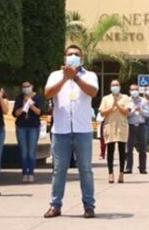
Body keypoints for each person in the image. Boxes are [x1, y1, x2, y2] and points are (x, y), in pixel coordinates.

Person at [44, 45, 100, 218]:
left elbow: (93, 92)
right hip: (60, 130)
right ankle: (55, 205)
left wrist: (75, 77)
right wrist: (64, 78)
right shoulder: (55, 75)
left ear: (81, 59)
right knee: (59, 170)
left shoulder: (90, 75)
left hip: (82, 129)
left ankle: (89, 206)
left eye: (76, 55)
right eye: (70, 54)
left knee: (85, 169)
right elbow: (47, 93)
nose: (73, 56)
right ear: (64, 58)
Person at [99, 80, 131, 183]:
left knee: (122, 151)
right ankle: (110, 174)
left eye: (117, 85)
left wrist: (117, 104)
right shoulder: (106, 98)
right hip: (110, 126)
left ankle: (121, 173)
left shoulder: (125, 98)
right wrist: (112, 106)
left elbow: (126, 112)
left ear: (120, 86)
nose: (115, 87)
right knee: (110, 151)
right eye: (113, 85)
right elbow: (102, 113)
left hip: (121, 126)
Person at [13, 80, 44, 183]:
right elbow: (15, 113)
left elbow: (39, 112)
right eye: (23, 86)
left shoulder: (38, 97)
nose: (25, 88)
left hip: (33, 127)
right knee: (23, 151)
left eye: (27, 86)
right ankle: (24, 172)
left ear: (32, 86)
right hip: (21, 126)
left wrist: (30, 104)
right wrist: (24, 106)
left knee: (31, 151)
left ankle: (30, 173)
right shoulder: (19, 98)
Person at [125, 83, 149, 174]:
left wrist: (141, 110)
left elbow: (147, 114)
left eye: (136, 89)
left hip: (141, 125)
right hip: (130, 125)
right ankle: (128, 168)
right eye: (132, 90)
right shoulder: (127, 100)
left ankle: (142, 168)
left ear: (138, 91)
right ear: (129, 91)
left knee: (142, 148)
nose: (134, 91)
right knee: (128, 148)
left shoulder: (143, 101)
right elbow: (125, 114)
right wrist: (132, 111)